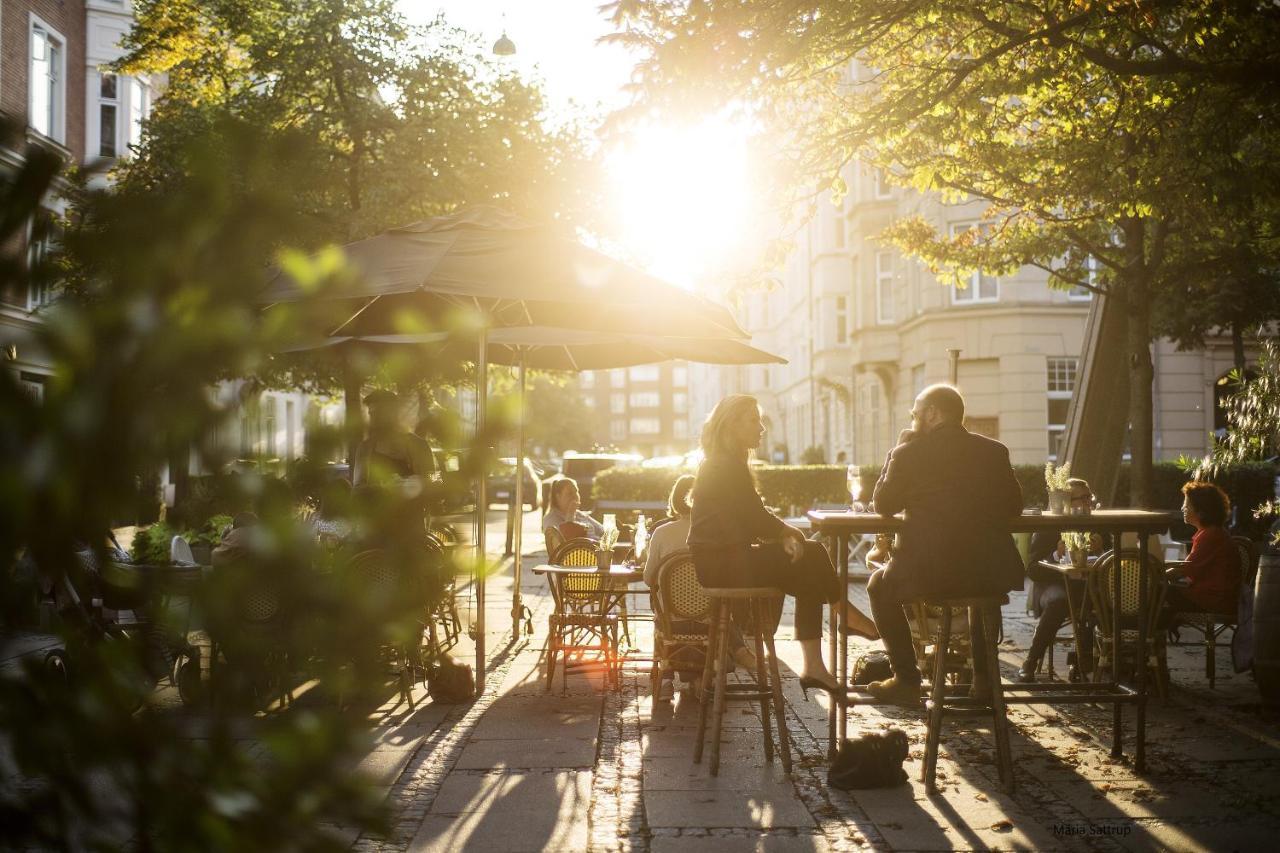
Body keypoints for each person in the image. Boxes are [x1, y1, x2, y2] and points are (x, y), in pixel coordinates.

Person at [688, 394, 878, 703]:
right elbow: (753, 518)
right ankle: (840, 616)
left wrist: (781, 536)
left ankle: (819, 658)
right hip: (722, 564)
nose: (761, 427)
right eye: (753, 420)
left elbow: (745, 519)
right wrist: (787, 532)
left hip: (722, 560)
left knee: (809, 569)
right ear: (732, 425)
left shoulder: (723, 461)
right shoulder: (724, 464)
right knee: (813, 554)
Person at [865, 384, 1024, 705]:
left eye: (915, 414)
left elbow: (882, 504)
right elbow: (1014, 508)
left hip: (929, 573)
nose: (912, 421)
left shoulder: (908, 453)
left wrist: (893, 453)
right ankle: (984, 683)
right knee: (980, 598)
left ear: (932, 413)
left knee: (877, 585)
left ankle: (907, 681)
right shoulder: (994, 451)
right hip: (989, 571)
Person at [1019, 478, 1102, 682]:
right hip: (1051, 584)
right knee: (1059, 601)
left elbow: (1112, 559)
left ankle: (1089, 661)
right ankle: (1030, 661)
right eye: (1080, 498)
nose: (1086, 503)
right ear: (1065, 501)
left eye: (1088, 497)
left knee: (1105, 599)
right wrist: (1056, 554)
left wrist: (1101, 549)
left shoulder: (1100, 524)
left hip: (1086, 585)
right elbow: (1033, 570)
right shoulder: (1049, 525)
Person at [1165, 481, 1241, 615]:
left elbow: (1187, 568)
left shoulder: (1210, 536)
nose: (1182, 508)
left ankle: (1149, 632)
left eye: (1187, 505)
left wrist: (1155, 574)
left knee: (1157, 591)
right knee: (1160, 592)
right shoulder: (1213, 533)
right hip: (1217, 598)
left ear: (1201, 512)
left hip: (1212, 601)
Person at [352, 389, 437, 491]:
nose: (374, 419)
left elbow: (435, 481)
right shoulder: (364, 449)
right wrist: (383, 487)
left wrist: (417, 482)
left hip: (413, 506)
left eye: (379, 413)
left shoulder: (419, 445)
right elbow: (357, 490)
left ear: (393, 413)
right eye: (371, 413)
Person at [542, 477, 605, 553]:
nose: (575, 496)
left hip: (597, 552)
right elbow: (565, 542)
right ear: (558, 497)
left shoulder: (579, 514)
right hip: (577, 558)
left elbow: (602, 530)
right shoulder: (551, 518)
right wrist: (570, 515)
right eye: (570, 493)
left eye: (576, 491)